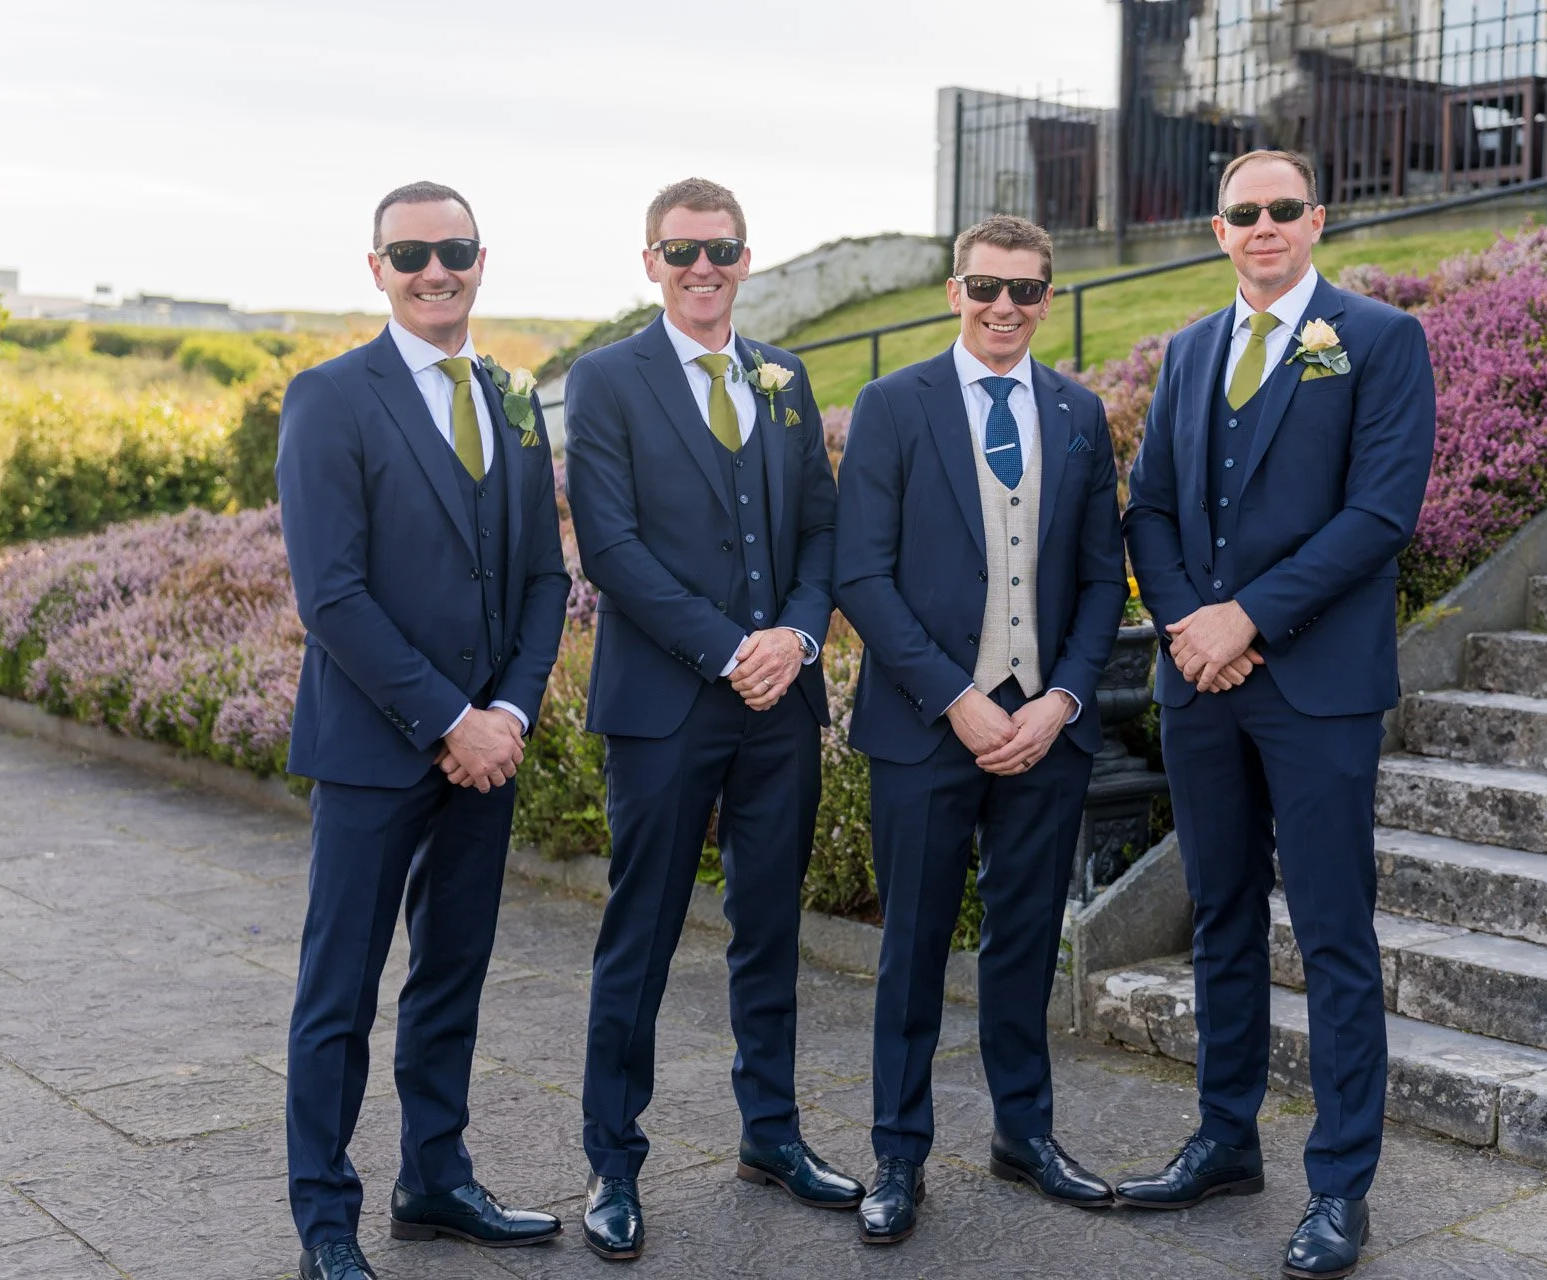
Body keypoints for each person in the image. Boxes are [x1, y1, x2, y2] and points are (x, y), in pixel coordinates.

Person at [1118, 150, 1436, 1280]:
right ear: (1219, 230)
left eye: (1283, 210)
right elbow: (1149, 507)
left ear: (1318, 219)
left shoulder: (1381, 340)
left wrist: (1243, 619)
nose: (1264, 227)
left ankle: (1340, 1183)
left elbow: (1379, 514)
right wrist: (1186, 626)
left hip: (1316, 686)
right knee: (1218, 913)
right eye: (1244, 213)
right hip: (1197, 684)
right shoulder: (1191, 348)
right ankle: (1223, 1137)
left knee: (1336, 934)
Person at [275, 181, 572, 1280]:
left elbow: (545, 575)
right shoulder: (329, 397)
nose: (434, 269)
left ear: (481, 260)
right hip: (371, 748)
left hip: (487, 751)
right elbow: (333, 596)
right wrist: (451, 718)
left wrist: (510, 711)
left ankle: (434, 1178)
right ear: (377, 269)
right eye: (411, 253)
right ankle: (324, 1220)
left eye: (453, 249)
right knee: (339, 991)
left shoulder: (512, 395)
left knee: (452, 972)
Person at [563, 177, 859, 1262]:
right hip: (663, 707)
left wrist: (794, 634)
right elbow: (611, 546)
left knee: (770, 927)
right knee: (637, 936)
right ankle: (613, 1159)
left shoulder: (785, 375)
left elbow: (823, 527)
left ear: (746, 259)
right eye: (682, 250)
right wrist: (727, 647)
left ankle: (770, 1133)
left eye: (722, 250)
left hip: (780, 700)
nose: (703, 267)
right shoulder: (605, 380)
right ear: (651, 260)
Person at [833, 214, 1127, 1247]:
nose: (1006, 306)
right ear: (955, 290)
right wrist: (954, 695)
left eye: (1028, 289)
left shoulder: (1079, 413)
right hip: (925, 729)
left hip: (1046, 732)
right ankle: (897, 1154)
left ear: (1048, 297)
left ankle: (1024, 1133)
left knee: (1025, 941)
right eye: (988, 286)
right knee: (912, 948)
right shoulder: (892, 404)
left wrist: (1063, 700)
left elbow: (1101, 580)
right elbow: (858, 572)